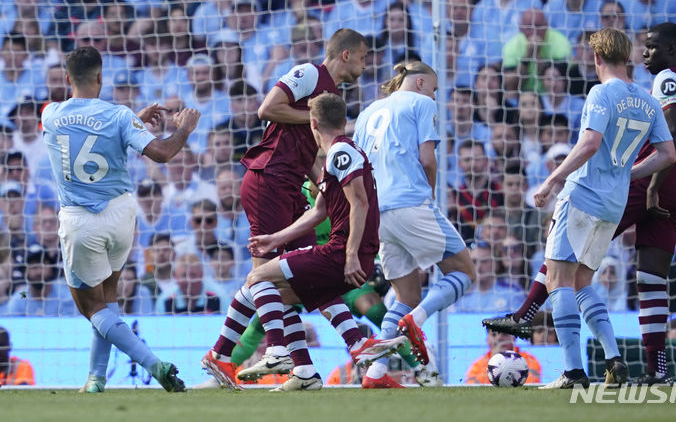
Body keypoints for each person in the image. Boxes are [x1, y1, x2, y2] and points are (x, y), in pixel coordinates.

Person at [484, 23, 676, 387]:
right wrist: (629, 176)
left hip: (584, 193)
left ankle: (571, 370)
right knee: (586, 281)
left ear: (596, 57)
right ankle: (616, 358)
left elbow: (589, 143)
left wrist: (552, 180)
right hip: (618, 201)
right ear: (627, 55)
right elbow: (667, 153)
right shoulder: (647, 100)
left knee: (559, 278)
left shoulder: (603, 93)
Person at [203, 93, 406, 391]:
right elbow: (319, 211)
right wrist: (277, 237)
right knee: (282, 295)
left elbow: (360, 203)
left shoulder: (341, 153)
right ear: (344, 120)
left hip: (340, 254)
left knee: (258, 277)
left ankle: (269, 352)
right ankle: (340, 352)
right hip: (342, 254)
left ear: (312, 124)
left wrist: (350, 255)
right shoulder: (337, 157)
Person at [202, 29, 369, 386]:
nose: (365, 63)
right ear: (346, 55)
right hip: (268, 179)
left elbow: (307, 148)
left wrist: (320, 180)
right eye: (363, 56)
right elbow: (268, 109)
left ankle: (307, 368)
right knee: (264, 276)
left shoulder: (332, 95)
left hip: (291, 185)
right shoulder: (310, 75)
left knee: (299, 275)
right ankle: (252, 351)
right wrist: (313, 115)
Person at [41, 45, 200, 393]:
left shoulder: (50, 114)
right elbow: (161, 152)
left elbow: (83, 133)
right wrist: (183, 129)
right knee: (108, 298)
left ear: (68, 79)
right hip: (121, 216)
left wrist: (131, 122)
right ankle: (96, 379)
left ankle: (153, 363)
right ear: (101, 77)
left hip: (81, 221)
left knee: (91, 307)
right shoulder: (119, 116)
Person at [353, 61, 476, 388]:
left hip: (376, 212)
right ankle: (415, 321)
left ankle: (375, 374)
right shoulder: (422, 102)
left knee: (405, 293)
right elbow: (427, 160)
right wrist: (430, 196)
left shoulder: (367, 114)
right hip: (410, 201)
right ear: (421, 82)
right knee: (465, 271)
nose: (434, 94)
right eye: (434, 87)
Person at [465, 329, 540, 385]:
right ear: (487, 340)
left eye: (504, 334)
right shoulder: (479, 363)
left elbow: (531, 383)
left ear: (514, 338)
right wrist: (495, 362)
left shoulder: (528, 359)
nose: (499, 338)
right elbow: (471, 385)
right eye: (494, 334)